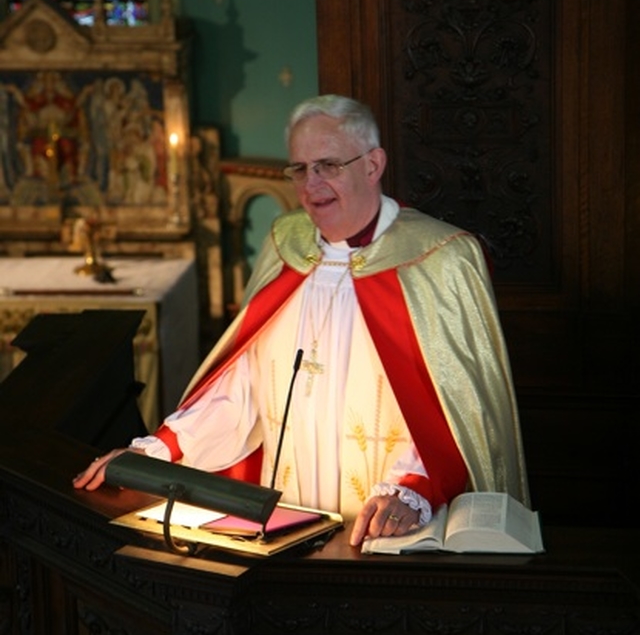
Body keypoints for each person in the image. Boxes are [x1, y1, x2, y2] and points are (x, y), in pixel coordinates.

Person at [74, 94, 530, 545]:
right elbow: (241, 389)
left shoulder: (439, 259)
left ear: (373, 166)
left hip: (389, 529)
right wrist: (155, 453)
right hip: (286, 524)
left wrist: (410, 491)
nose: (311, 185)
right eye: (299, 169)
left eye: (328, 166)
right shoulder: (285, 247)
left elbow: (456, 409)